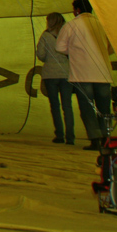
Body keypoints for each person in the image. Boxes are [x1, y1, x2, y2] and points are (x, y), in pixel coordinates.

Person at [56, 0, 114, 150]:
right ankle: (106, 139)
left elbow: (60, 48)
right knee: (104, 109)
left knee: (87, 108)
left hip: (82, 74)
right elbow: (111, 47)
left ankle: (95, 139)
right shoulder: (101, 23)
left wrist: (74, 52)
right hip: (103, 74)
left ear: (77, 10)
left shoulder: (71, 25)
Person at [36, 12, 75, 145]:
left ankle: (59, 135)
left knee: (55, 106)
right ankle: (70, 137)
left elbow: (40, 54)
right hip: (66, 73)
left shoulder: (46, 36)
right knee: (67, 106)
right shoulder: (68, 34)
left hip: (50, 74)